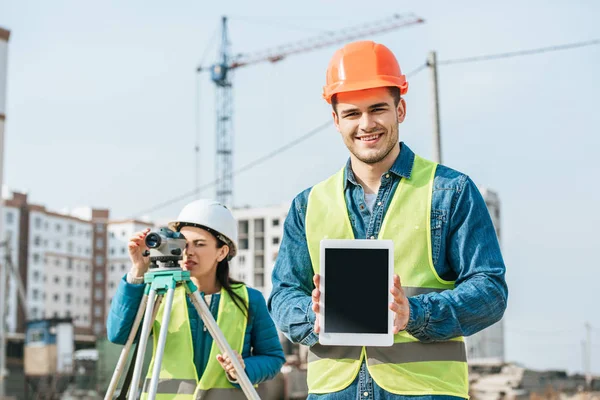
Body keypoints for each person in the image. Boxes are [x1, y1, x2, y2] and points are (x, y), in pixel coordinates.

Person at [268, 40, 508, 399]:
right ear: (335, 120)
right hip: (335, 393)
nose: (366, 124)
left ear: (401, 109)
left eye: (378, 108)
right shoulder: (309, 204)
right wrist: (312, 318)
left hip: (424, 392)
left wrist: (414, 314)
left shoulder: (449, 191)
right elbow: (284, 294)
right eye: (352, 113)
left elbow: (490, 291)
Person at [107, 199, 285, 399]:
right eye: (184, 244)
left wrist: (244, 368)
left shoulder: (249, 299)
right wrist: (138, 270)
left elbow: (273, 357)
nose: (188, 252)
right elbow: (119, 335)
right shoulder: (162, 294)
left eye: (199, 244)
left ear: (222, 251)